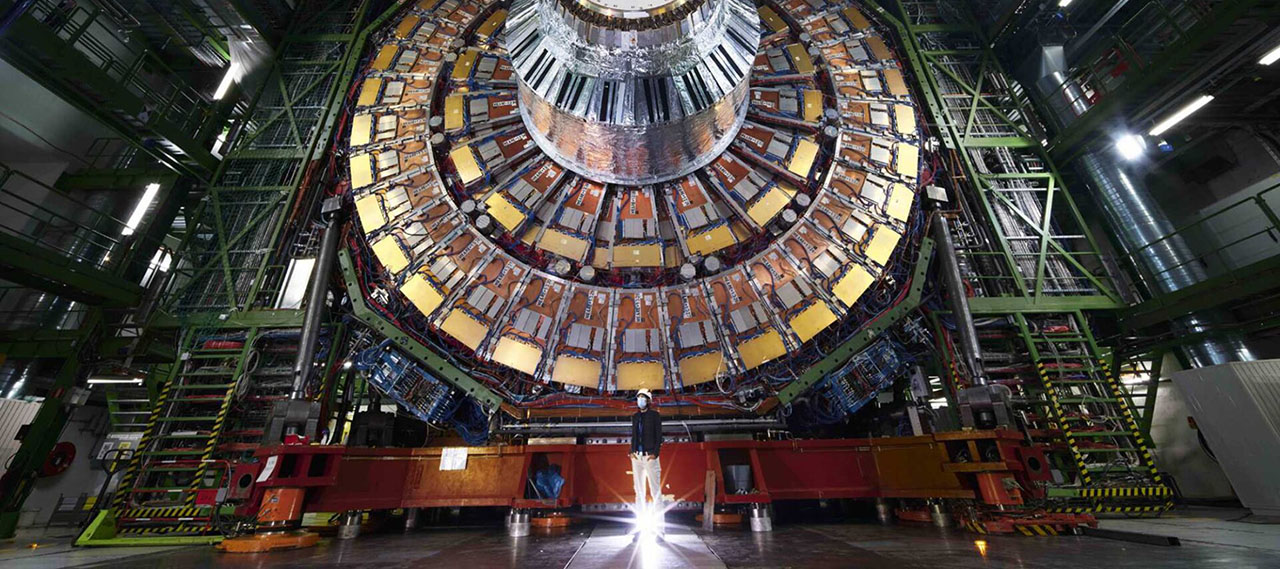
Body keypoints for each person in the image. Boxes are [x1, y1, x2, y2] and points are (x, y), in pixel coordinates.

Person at [630, 388, 663, 537]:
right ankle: (640, 528)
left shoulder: (655, 416)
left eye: (643, 398)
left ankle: (660, 530)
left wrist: (655, 454)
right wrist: (632, 452)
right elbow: (634, 435)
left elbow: (659, 435)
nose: (640, 401)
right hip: (637, 457)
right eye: (638, 398)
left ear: (648, 401)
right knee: (639, 493)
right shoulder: (635, 417)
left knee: (655, 492)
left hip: (650, 457)